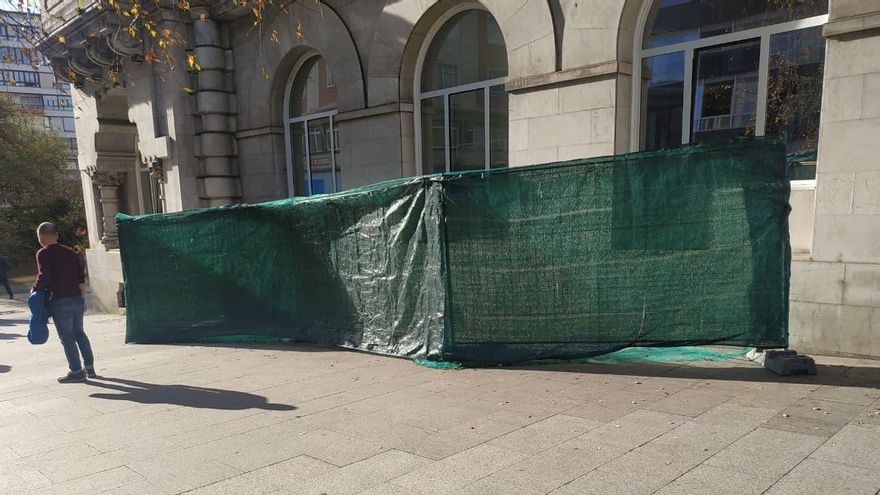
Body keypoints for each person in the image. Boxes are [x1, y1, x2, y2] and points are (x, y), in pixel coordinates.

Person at [32, 222, 96, 383]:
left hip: (60, 300)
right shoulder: (71, 253)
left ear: (41, 236)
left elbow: (43, 277)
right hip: (76, 298)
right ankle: (89, 367)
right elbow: (80, 276)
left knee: (67, 337)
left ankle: (76, 371)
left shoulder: (43, 253)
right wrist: (82, 297)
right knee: (80, 333)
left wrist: (34, 290)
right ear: (57, 235)